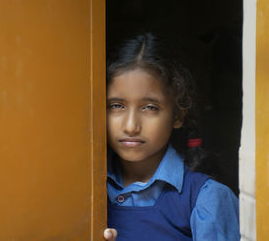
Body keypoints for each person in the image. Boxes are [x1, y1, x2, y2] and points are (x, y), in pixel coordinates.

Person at [102, 32, 239, 241]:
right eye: (116, 106)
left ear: (178, 115)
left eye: (149, 107)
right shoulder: (83, 187)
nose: (130, 126)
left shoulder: (205, 199)